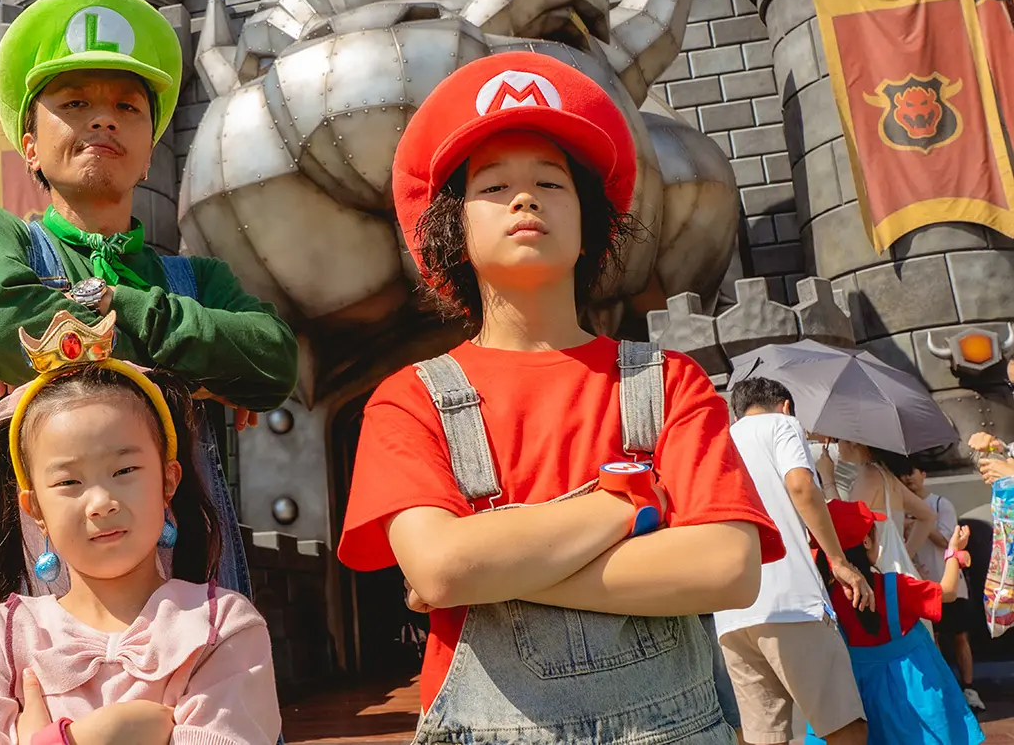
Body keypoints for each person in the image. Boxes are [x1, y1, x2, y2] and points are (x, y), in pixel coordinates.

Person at [338, 53, 785, 742]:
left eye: (551, 181)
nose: (525, 198)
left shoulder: (668, 382)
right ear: (455, 227)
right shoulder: (409, 399)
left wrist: (491, 569)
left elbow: (728, 565)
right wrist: (626, 504)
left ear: (590, 224)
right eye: (494, 186)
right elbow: (440, 564)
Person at [0, 0, 298, 742]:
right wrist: (187, 356)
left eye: (127, 106)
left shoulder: (196, 274)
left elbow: (270, 360)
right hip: (17, 593)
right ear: (27, 144)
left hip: (189, 599)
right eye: (73, 101)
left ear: (150, 140)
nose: (102, 118)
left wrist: (119, 310)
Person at [0, 312, 279, 745]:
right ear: (35, 507)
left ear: (169, 480)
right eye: (69, 481)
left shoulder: (223, 627)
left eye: (124, 469)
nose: (101, 502)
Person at [712, 378, 871, 745]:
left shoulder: (720, 440)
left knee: (764, 738)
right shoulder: (783, 424)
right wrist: (838, 560)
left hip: (733, 612)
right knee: (845, 728)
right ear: (785, 405)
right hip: (791, 602)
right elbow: (800, 485)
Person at [807, 500, 983, 745]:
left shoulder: (825, 597)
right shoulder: (895, 587)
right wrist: (954, 553)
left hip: (859, 693)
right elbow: (948, 592)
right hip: (914, 693)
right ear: (867, 541)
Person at [900, 462, 985, 711]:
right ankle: (945, 691)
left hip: (950, 584)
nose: (907, 479)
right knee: (932, 637)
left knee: (960, 636)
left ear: (923, 474)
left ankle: (969, 688)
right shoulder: (901, 507)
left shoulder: (940, 504)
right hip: (922, 584)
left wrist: (921, 522)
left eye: (911, 473)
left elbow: (948, 542)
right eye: (903, 475)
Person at [817, 439, 935, 576]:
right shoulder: (886, 476)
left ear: (853, 443)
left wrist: (827, 479)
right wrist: (905, 554)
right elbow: (928, 515)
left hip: (878, 575)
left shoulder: (869, 476)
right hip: (899, 574)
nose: (837, 446)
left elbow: (846, 526)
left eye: (839, 440)